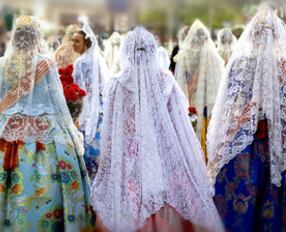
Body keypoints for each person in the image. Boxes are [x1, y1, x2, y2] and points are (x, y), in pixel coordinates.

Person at [0, 16, 94, 231]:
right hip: (45, 132)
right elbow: (57, 102)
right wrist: (71, 130)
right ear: (36, 38)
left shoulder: (3, 62)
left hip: (3, 132)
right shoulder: (46, 63)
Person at [91, 26, 224, 232]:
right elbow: (178, 122)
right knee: (167, 195)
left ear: (126, 51)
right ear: (153, 50)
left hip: (129, 153)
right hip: (162, 150)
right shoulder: (165, 80)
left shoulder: (117, 83)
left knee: (130, 199)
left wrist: (108, 159)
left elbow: (111, 129)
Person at [207, 6, 286, 231]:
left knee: (242, 197)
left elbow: (231, 109)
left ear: (252, 34)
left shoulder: (241, 64)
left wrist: (222, 146)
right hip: (274, 144)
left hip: (247, 144)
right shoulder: (282, 66)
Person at [174, 20, 225, 157]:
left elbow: (179, 84)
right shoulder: (214, 57)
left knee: (192, 138)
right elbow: (219, 88)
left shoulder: (184, 56)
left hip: (191, 103)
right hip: (206, 105)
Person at [72, 22, 108, 181]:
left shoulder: (81, 62)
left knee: (85, 142)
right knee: (98, 143)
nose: (73, 44)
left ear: (86, 43)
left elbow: (79, 90)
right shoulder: (98, 59)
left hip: (86, 107)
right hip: (100, 107)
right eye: (73, 40)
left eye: (77, 41)